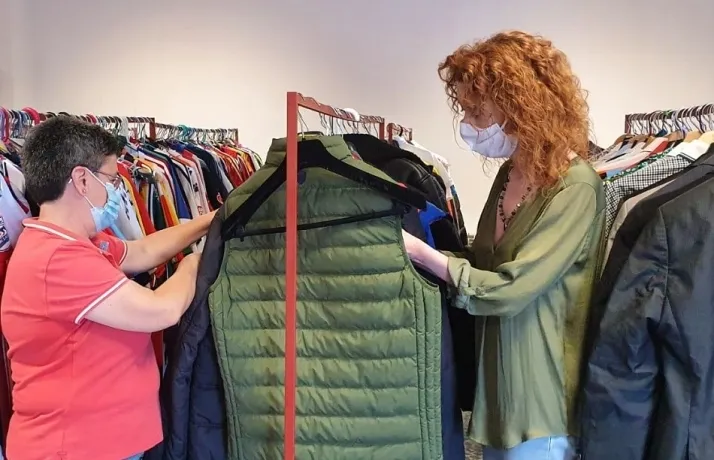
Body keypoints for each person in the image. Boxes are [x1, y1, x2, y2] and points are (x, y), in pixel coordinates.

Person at [402, 31, 605, 460]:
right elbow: (482, 262)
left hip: (541, 401)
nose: (468, 123)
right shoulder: (510, 173)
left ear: (522, 105)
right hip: (496, 390)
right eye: (465, 109)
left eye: (477, 110)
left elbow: (511, 288)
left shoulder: (575, 188)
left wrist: (424, 255)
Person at [0, 116, 213, 460]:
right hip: (74, 448)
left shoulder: (74, 241)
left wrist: (210, 222)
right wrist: (193, 264)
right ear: (82, 179)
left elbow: (142, 251)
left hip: (102, 442)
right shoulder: (57, 259)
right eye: (113, 180)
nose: (117, 191)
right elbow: (162, 310)